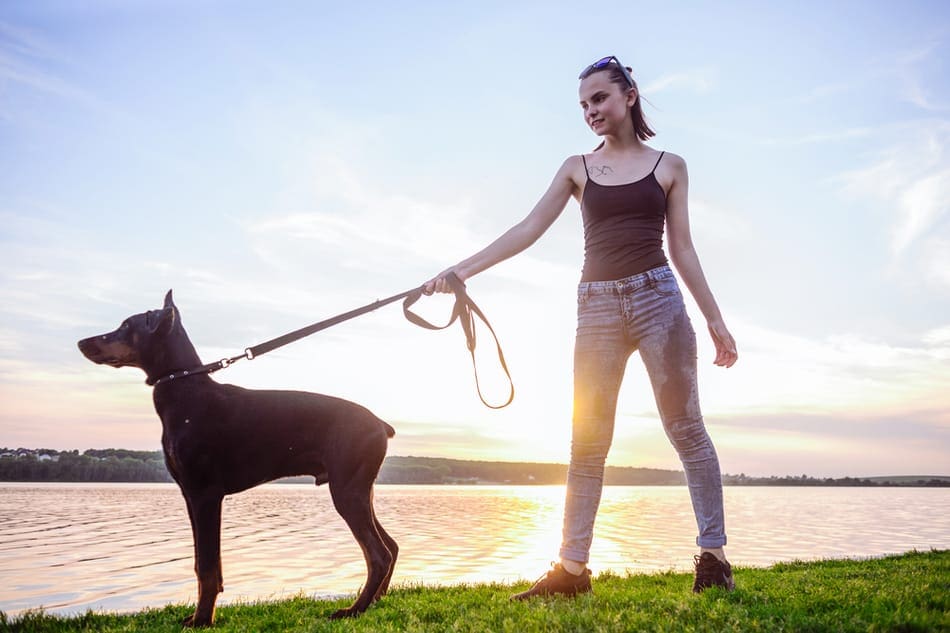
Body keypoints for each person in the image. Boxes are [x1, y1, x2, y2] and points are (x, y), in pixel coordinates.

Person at [423, 55, 738, 597]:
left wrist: (714, 318)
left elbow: (683, 248)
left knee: (686, 430)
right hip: (596, 308)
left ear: (629, 96)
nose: (591, 110)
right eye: (583, 104)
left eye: (599, 98)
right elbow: (527, 228)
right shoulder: (577, 168)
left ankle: (713, 559)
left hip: (659, 300)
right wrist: (460, 270)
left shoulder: (670, 166)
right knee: (587, 441)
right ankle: (571, 572)